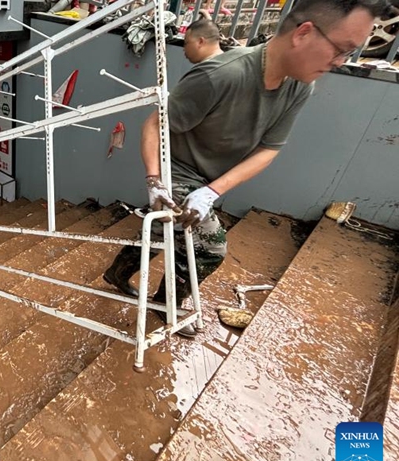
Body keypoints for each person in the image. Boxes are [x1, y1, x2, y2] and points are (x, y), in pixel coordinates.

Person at [104, 0, 387, 337]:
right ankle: (167, 305)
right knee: (209, 247)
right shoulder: (221, 75)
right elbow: (154, 125)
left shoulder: (299, 86)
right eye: (341, 49)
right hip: (174, 168)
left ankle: (118, 273)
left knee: (167, 231)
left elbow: (269, 149)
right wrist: (154, 180)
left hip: (209, 176)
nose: (340, 62)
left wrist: (213, 191)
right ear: (304, 33)